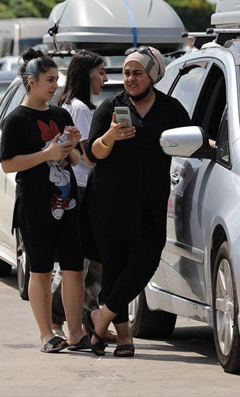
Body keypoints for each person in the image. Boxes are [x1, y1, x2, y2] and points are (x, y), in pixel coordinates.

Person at [82, 46, 191, 357]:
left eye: (137, 73)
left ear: (153, 75)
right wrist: (111, 137)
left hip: (152, 204)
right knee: (115, 270)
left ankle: (98, 319)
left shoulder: (170, 110)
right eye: (127, 72)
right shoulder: (109, 109)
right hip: (109, 204)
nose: (129, 78)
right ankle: (125, 337)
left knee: (144, 265)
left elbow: (193, 140)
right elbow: (91, 155)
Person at [0, 48, 89, 353]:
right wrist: (46, 155)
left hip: (67, 203)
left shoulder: (60, 114)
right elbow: (8, 164)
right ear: (32, 81)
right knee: (41, 269)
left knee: (75, 268)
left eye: (57, 80)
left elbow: (75, 161)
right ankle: (46, 334)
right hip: (35, 204)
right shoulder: (17, 120)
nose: (55, 86)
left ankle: (75, 332)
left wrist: (72, 145)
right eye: (50, 80)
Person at [50, 50, 108, 336]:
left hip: (73, 188)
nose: (105, 78)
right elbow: (88, 156)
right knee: (81, 265)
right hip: (82, 188)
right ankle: (57, 318)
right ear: (87, 75)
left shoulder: (68, 104)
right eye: (101, 72)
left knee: (81, 264)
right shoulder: (82, 110)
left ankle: (81, 322)